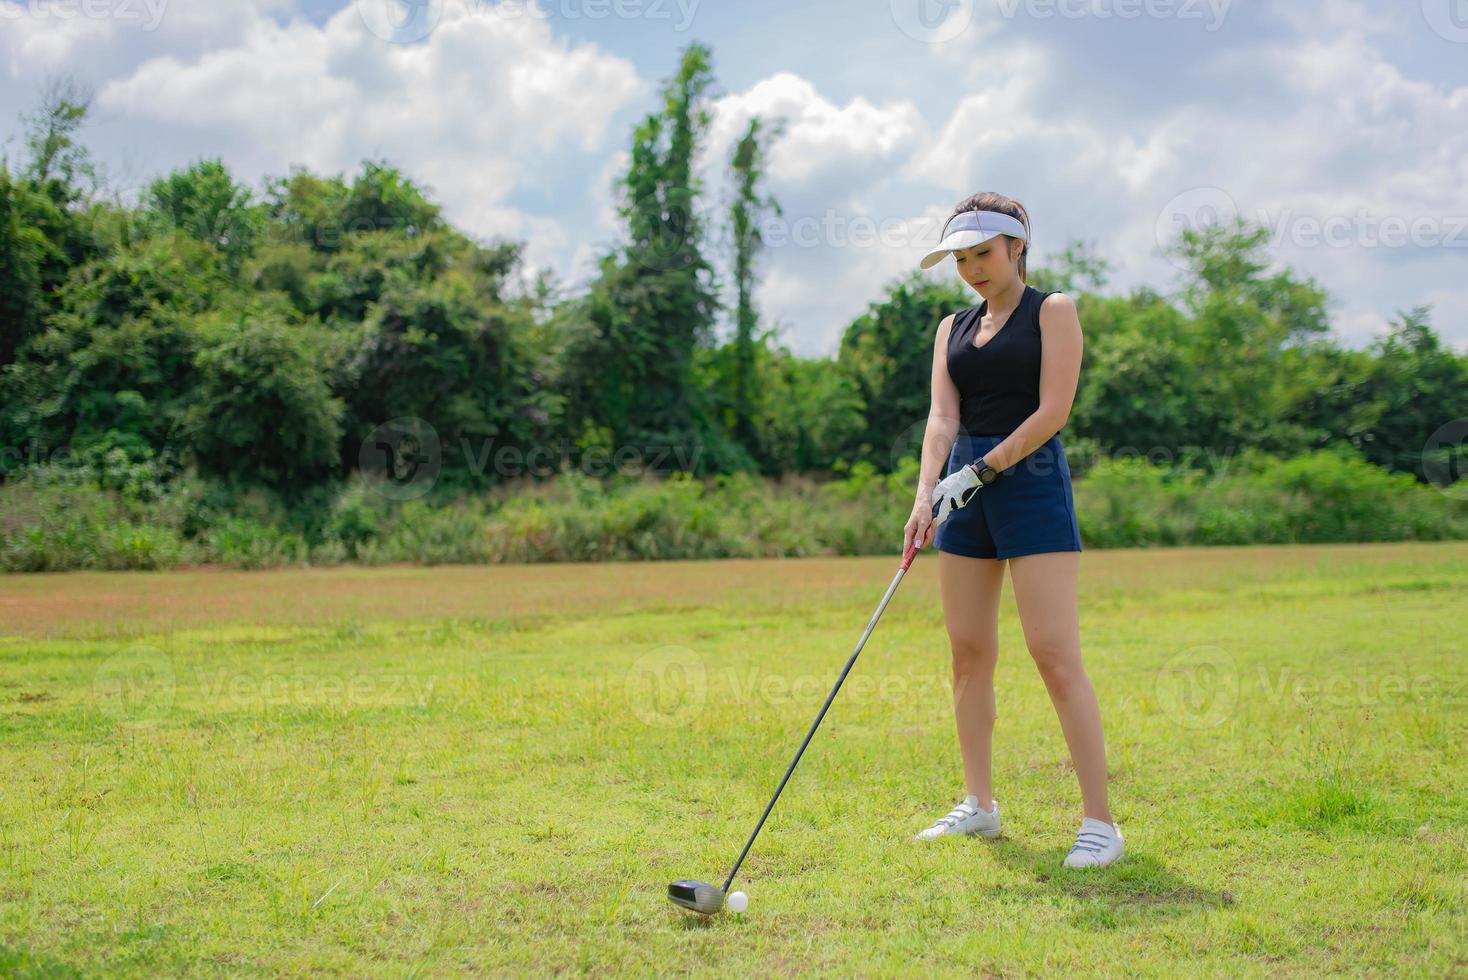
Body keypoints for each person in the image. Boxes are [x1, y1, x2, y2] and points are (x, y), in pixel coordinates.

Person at [901, 192, 1123, 869]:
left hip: (1027, 484)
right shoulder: (951, 328)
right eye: (960, 259)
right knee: (968, 653)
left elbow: (1054, 410)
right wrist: (925, 495)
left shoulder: (1053, 311)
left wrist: (984, 468)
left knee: (1053, 653)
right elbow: (943, 417)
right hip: (962, 489)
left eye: (982, 254)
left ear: (1017, 247)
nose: (971, 268)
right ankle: (981, 806)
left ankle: (1101, 824)